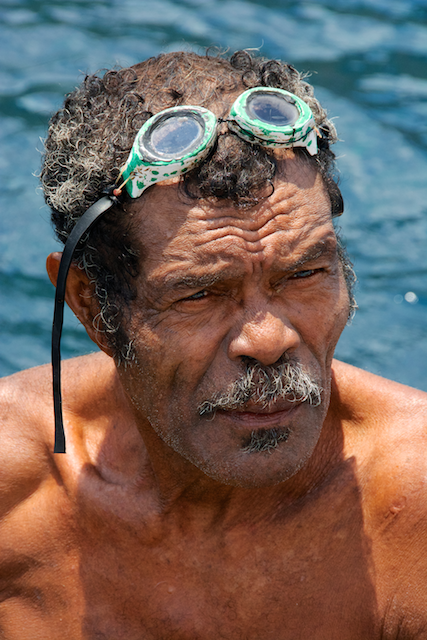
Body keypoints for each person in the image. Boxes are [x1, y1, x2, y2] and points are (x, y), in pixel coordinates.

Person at [1, 49, 427, 640]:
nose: (268, 338)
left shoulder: (412, 500)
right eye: (200, 294)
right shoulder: (14, 493)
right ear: (92, 310)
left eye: (304, 275)